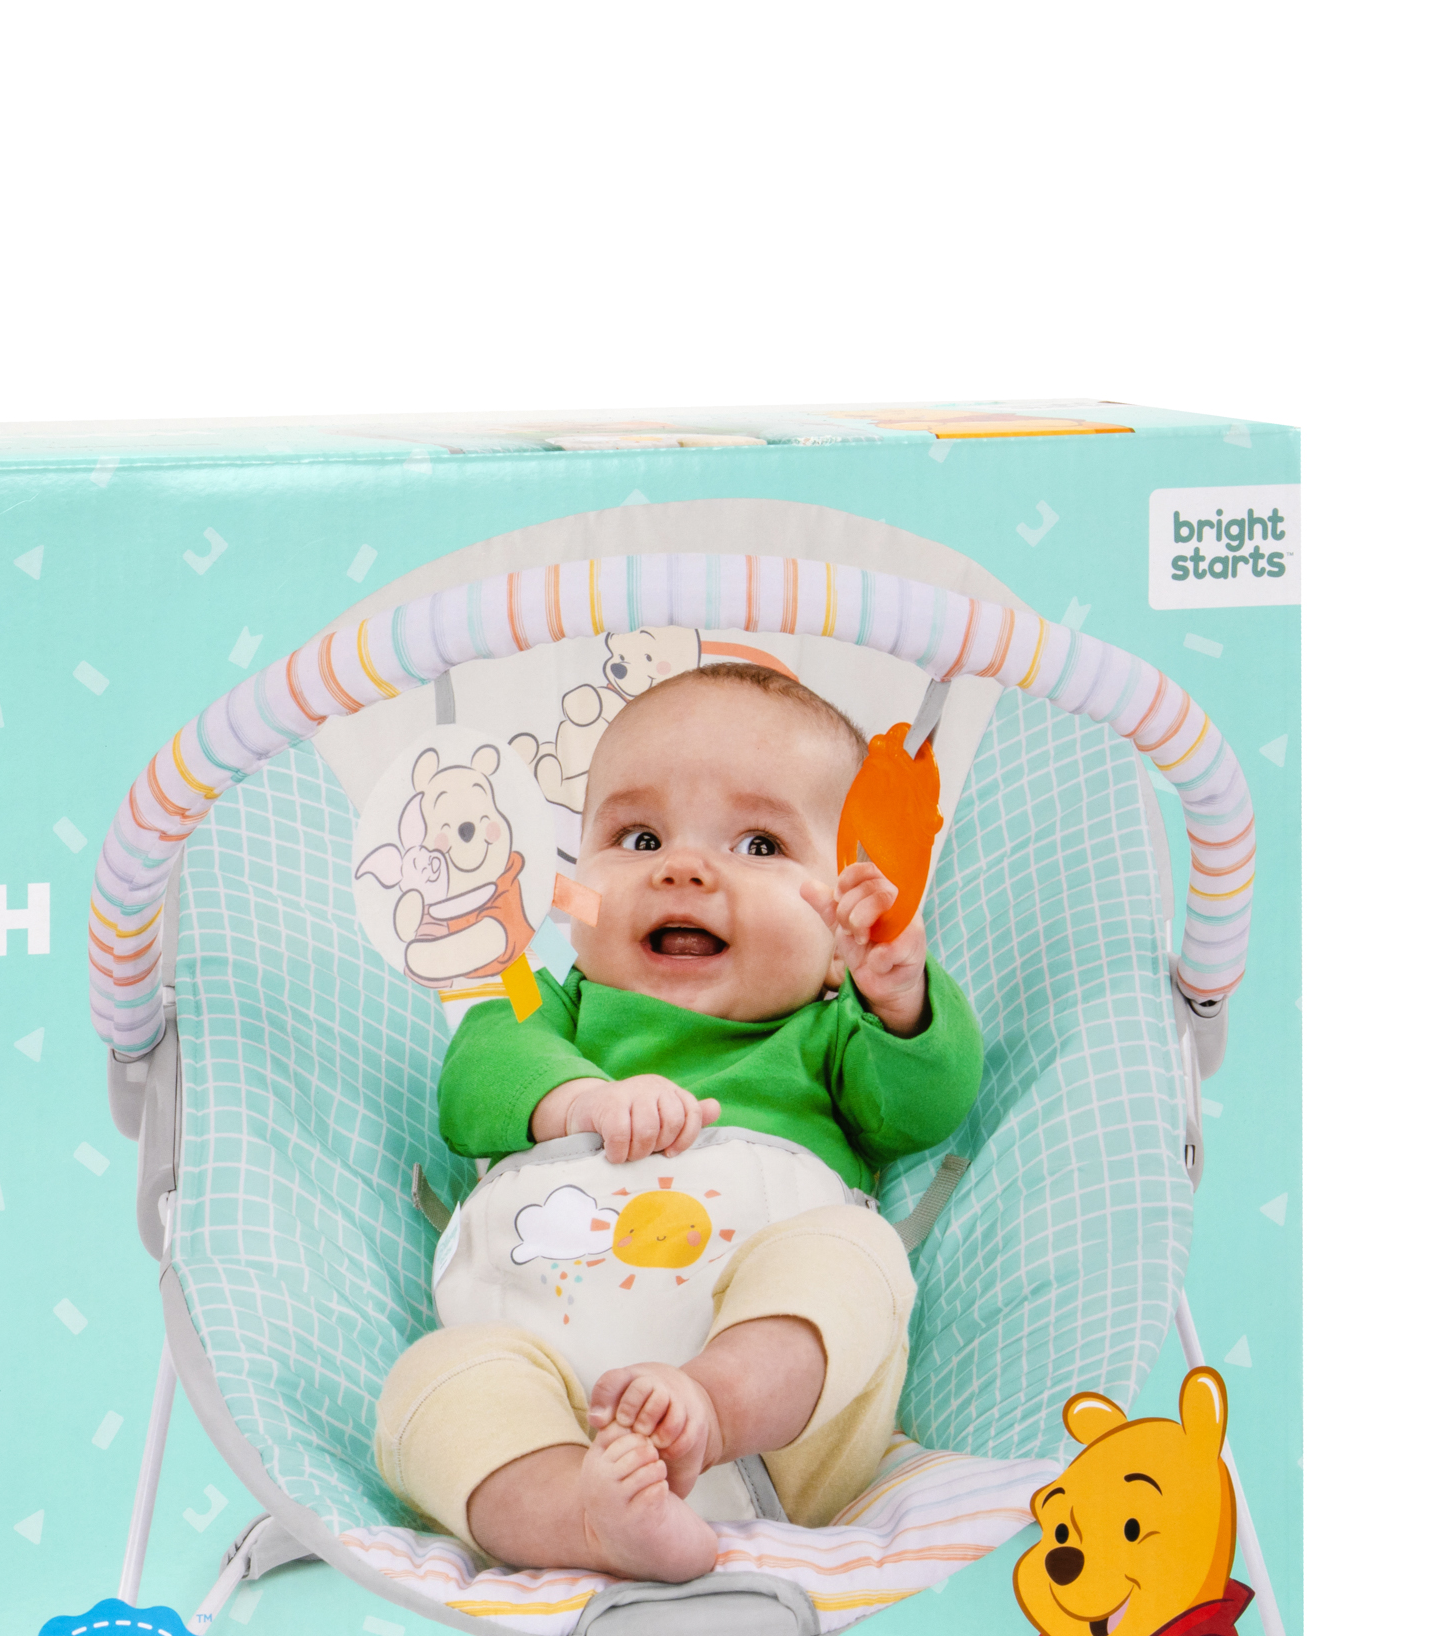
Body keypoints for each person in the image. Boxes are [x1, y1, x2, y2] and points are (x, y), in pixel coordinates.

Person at [373, 665, 983, 1582]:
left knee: (856, 1255)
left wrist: (897, 997)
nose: (683, 869)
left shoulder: (828, 1030)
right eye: (639, 837)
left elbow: (926, 1105)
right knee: (427, 1387)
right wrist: (582, 1102)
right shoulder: (544, 1004)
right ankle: (578, 1514)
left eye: (761, 844)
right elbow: (477, 1079)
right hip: (556, 1401)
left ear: (840, 930)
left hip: (783, 1440)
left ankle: (709, 1404)